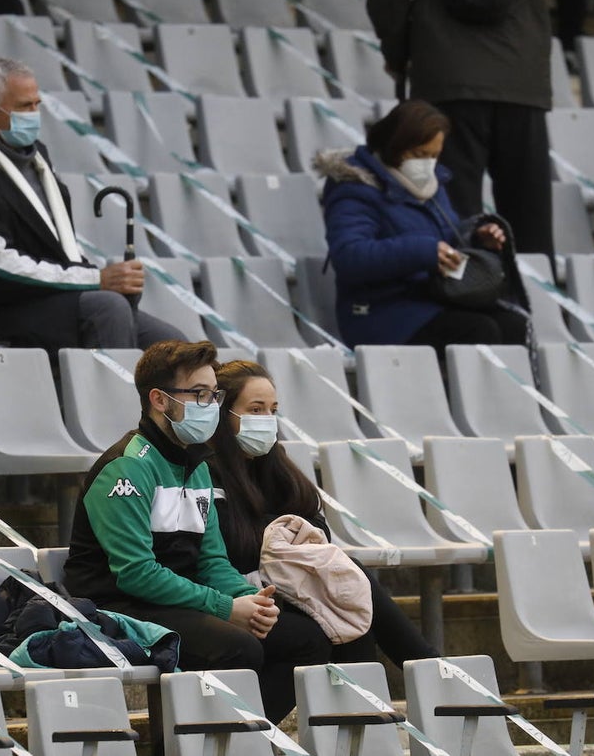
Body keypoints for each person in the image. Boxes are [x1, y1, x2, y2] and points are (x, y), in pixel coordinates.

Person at [63, 341, 331, 724]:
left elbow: (212, 560)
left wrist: (250, 599)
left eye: (214, 395)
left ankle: (230, 741)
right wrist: (224, 608)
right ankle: (206, 743)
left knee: (306, 640)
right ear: (159, 399)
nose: (212, 406)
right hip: (119, 605)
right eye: (200, 395)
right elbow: (136, 573)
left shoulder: (197, 466)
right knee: (240, 647)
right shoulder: (126, 468)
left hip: (174, 601)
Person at [0, 58, 184, 354]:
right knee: (107, 309)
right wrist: (96, 279)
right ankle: (111, 402)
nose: (34, 115)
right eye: (24, 106)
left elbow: (59, 248)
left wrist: (103, 278)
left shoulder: (37, 160)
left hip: (52, 303)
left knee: (175, 347)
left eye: (37, 104)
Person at [208, 359, 440, 666]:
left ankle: (372, 703)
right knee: (346, 590)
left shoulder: (272, 459)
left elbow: (316, 527)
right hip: (245, 589)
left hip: (291, 582)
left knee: (346, 600)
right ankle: (429, 667)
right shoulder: (206, 468)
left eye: (273, 410)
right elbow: (235, 544)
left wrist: (275, 534)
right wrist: (285, 531)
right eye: (255, 410)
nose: (267, 419)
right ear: (225, 415)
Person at [316, 100, 530, 356]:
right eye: (419, 155)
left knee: (514, 326)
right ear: (394, 145)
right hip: (379, 312)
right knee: (478, 330)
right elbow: (350, 256)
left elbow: (448, 237)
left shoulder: (432, 186)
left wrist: (477, 240)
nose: (427, 164)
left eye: (434, 156)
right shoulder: (354, 189)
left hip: (434, 300)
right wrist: (424, 252)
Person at [366, 0, 554, 258]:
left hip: (446, 77)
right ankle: (534, 297)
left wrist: (399, 54)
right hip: (521, 80)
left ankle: (457, 295)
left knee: (452, 220)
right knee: (529, 226)